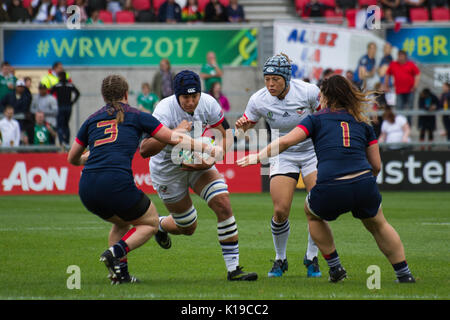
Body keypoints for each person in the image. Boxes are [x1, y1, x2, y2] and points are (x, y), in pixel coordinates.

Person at [237, 74, 415, 284]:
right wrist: (364, 183)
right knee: (379, 224)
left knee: (312, 213)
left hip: (332, 185)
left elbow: (285, 142)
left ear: (327, 97)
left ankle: (335, 267)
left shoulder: (315, 119)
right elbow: (376, 165)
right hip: (364, 183)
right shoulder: (363, 122)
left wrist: (258, 156)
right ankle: (404, 274)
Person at [67, 74, 219, 284]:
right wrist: (206, 147)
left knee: (122, 223)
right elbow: (173, 138)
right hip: (116, 183)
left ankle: (119, 275)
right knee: (149, 223)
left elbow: (72, 158)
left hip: (86, 187)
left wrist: (90, 157)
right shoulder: (137, 115)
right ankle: (115, 253)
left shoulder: (91, 119)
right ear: (127, 94)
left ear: (104, 96)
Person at [139, 70, 258, 281]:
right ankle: (159, 225)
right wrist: (173, 132)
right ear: (176, 95)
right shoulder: (163, 110)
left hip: (197, 161)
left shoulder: (209, 103)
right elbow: (145, 150)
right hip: (168, 170)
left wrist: (215, 157)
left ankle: (234, 270)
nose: (191, 102)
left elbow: (227, 133)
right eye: (186, 97)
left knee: (223, 204)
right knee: (187, 227)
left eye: (195, 96)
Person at [234, 54, 322, 278]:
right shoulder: (259, 99)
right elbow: (244, 130)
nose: (270, 84)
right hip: (282, 153)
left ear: (286, 78)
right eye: (267, 79)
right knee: (280, 210)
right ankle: (280, 259)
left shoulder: (309, 92)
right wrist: (241, 127)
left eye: (275, 79)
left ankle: (312, 256)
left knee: (319, 205)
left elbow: (326, 117)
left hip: (312, 152)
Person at [384, 50, 420, 117]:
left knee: (410, 110)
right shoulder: (393, 64)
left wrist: (415, 86)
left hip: (410, 91)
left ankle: (408, 126)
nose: (400, 57)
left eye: (402, 56)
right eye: (399, 56)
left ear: (405, 56)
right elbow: (387, 74)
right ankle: (400, 126)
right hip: (399, 91)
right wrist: (386, 86)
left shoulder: (411, 64)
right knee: (399, 109)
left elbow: (417, 74)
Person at [50, 71, 80, 147]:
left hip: (60, 106)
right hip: (68, 107)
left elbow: (50, 92)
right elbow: (77, 93)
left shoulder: (57, 85)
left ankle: (61, 142)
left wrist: (55, 101)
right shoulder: (70, 85)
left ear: (59, 77)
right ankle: (67, 142)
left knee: (60, 125)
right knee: (66, 125)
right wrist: (72, 102)